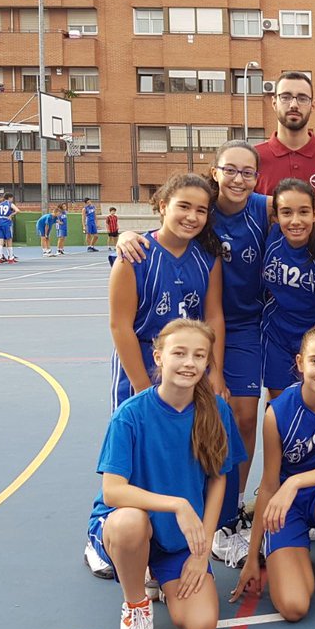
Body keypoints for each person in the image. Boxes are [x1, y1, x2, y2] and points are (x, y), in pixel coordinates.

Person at [116, 144, 315, 570]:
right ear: (215, 172)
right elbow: (170, 221)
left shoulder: (262, 207)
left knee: (243, 416)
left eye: (248, 172)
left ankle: (230, 512)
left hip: (246, 326)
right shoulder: (201, 204)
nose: (239, 179)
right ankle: (128, 525)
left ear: (258, 177)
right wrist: (128, 235)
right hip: (195, 325)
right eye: (230, 170)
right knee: (155, 426)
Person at [87, 319, 247, 629]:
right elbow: (113, 492)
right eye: (179, 353)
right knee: (129, 524)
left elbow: (218, 479)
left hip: (178, 538)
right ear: (159, 357)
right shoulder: (130, 415)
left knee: (200, 626)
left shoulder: (215, 410)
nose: (189, 363)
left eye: (199, 355)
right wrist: (177, 505)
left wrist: (201, 552)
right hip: (131, 525)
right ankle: (136, 607)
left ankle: (156, 571)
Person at [94, 174, 225, 579]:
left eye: (201, 210)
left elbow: (213, 316)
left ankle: (169, 538)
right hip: (141, 368)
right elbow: (120, 325)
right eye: (183, 206)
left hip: (187, 368)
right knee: (129, 457)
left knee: (181, 449)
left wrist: (215, 371)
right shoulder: (135, 254)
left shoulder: (206, 259)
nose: (192, 216)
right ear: (163, 205)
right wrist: (141, 388)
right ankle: (104, 533)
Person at [232, 324, 315, 618]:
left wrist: (294, 482)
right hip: (287, 507)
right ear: (300, 362)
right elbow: (269, 486)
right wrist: (252, 556)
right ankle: (287, 550)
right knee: (294, 607)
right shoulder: (277, 413)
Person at [260, 179, 315, 398]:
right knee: (281, 402)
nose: (295, 221)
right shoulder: (272, 236)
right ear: (276, 217)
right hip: (277, 333)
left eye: (304, 212)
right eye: (287, 213)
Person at [255, 72, 315, 213]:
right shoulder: (254, 157)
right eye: (285, 97)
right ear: (274, 103)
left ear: (313, 105)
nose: (294, 105)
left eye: (302, 98)